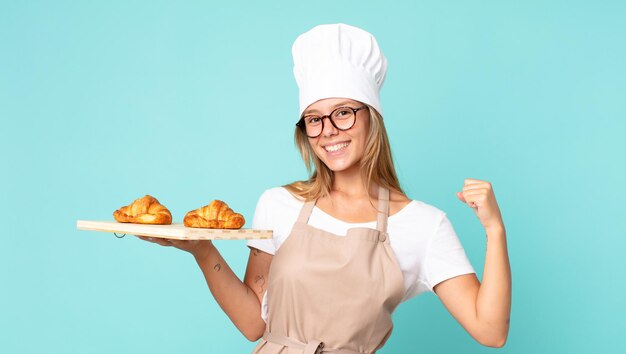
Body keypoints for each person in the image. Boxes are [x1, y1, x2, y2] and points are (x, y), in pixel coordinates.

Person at [140, 23, 511, 353]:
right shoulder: (278, 203)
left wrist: (494, 230)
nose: (329, 130)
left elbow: (490, 331)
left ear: (372, 118)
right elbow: (254, 326)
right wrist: (203, 252)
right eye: (314, 119)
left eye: (344, 112)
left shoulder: (423, 225)